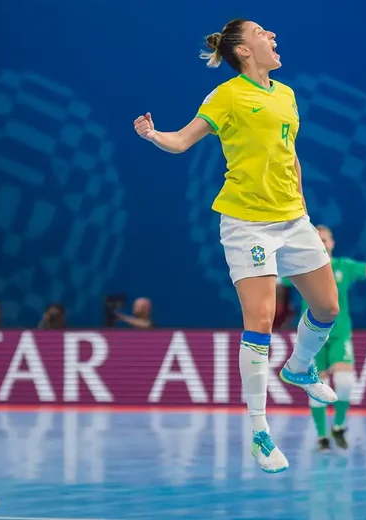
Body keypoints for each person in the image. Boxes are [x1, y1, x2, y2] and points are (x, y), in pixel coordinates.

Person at [133, 19, 340, 474]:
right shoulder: (226, 96)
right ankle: (260, 432)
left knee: (327, 307)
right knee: (261, 319)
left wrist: (300, 204)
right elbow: (182, 141)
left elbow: (290, 153)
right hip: (248, 224)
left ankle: (301, 367)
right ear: (244, 50)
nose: (273, 36)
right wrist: (153, 135)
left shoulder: (285, 94)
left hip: (293, 218)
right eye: (263, 33)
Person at [283, 225, 366, 451]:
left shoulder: (344, 267)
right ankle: (322, 436)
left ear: (332, 243)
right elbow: (273, 279)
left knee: (344, 383)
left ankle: (339, 426)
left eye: (325, 240)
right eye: (318, 240)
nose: (322, 243)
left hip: (339, 334)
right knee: (316, 387)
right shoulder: (301, 269)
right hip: (312, 339)